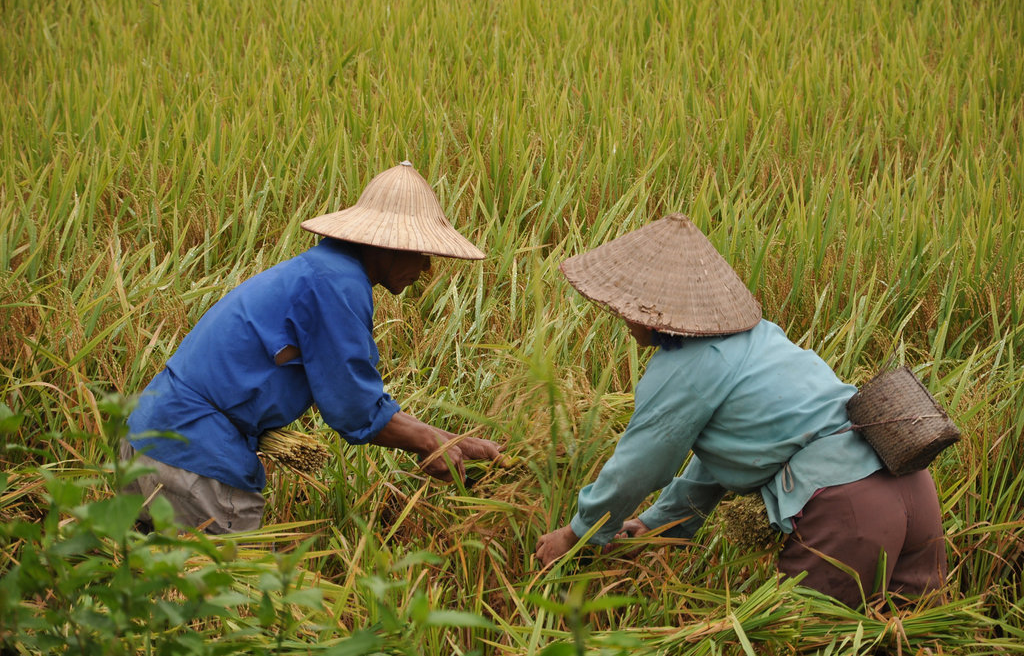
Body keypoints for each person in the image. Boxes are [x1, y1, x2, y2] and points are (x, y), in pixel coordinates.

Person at [535, 214, 947, 608]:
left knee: (808, 641)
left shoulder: (682, 368)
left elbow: (637, 469)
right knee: (906, 633)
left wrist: (578, 533)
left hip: (848, 508)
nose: (621, 316)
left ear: (652, 309)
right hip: (910, 482)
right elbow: (726, 458)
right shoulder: (758, 340)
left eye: (626, 306)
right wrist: (656, 523)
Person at [123, 161, 503, 534]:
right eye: (420, 253)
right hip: (191, 458)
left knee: (151, 580)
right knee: (233, 591)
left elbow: (355, 396)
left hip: (145, 439)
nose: (425, 268)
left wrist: (453, 442)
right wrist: (430, 443)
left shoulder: (319, 270)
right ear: (388, 246)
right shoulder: (338, 284)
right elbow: (354, 407)